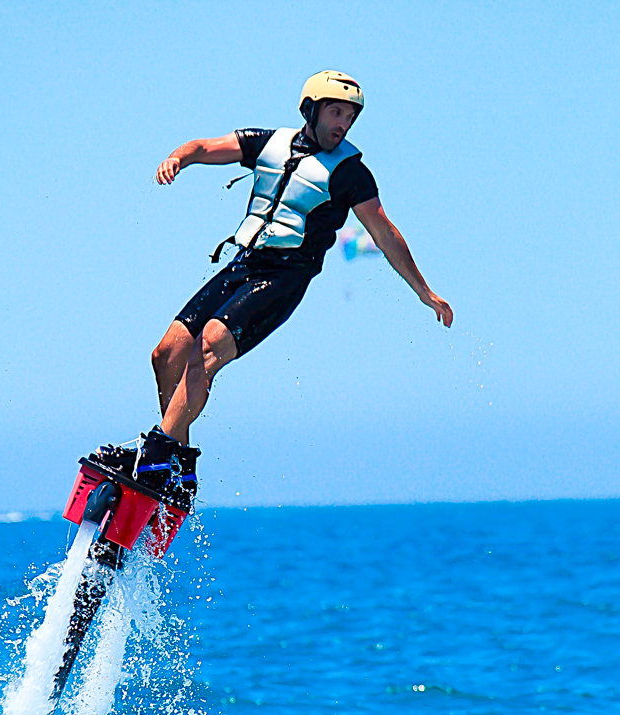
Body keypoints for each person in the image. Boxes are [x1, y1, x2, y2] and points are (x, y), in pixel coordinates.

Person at [96, 71, 452, 511]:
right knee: (166, 354)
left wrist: (424, 291)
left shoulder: (351, 173)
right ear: (310, 110)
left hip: (284, 278)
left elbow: (383, 232)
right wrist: (178, 158)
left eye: (350, 117)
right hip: (242, 265)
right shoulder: (269, 144)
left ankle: (155, 455)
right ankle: (179, 467)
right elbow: (206, 147)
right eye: (335, 113)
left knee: (206, 348)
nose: (342, 124)